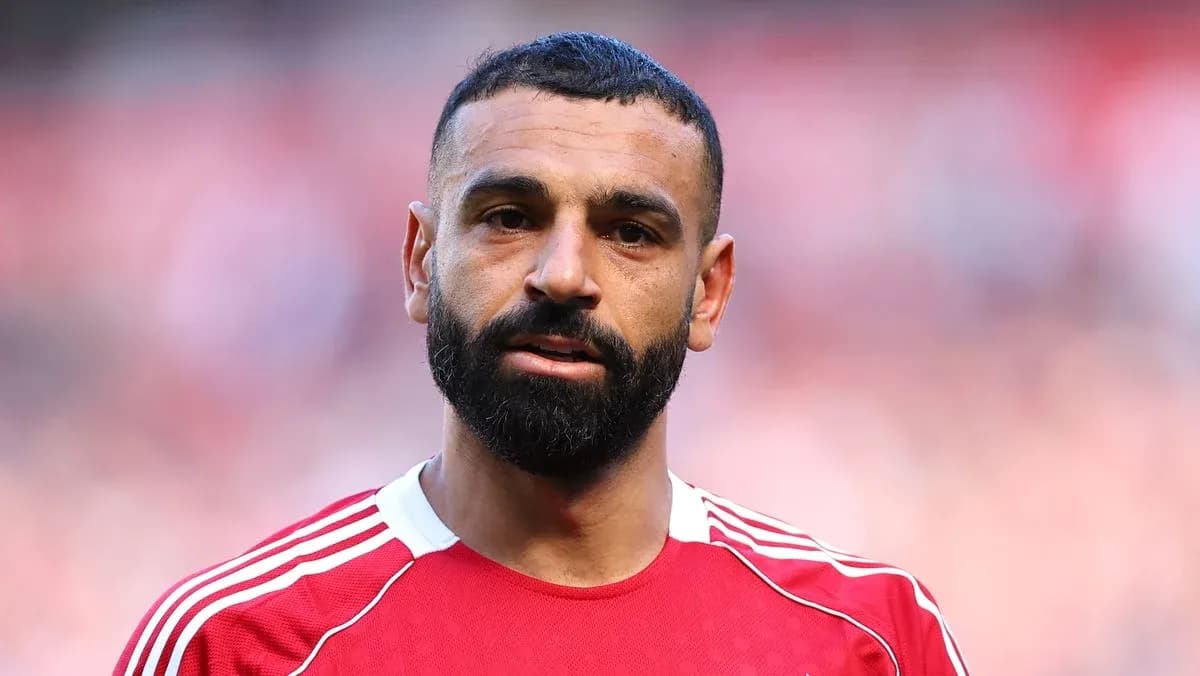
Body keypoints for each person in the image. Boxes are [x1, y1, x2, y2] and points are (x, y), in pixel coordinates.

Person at [115, 32, 968, 675]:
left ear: (709, 292)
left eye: (630, 232)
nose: (563, 276)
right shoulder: (237, 644)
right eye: (509, 217)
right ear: (419, 260)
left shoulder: (873, 640)